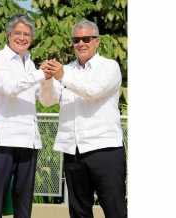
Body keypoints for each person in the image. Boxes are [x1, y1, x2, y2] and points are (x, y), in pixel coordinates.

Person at [39, 19, 127, 218]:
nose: (81, 43)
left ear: (97, 41)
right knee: (79, 213)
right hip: (73, 150)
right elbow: (47, 101)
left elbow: (93, 91)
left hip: (104, 149)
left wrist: (61, 76)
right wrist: (46, 80)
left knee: (115, 210)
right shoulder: (66, 70)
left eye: (86, 39)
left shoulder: (109, 67)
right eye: (76, 40)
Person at [0, 14, 51, 218]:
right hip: (4, 140)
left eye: (27, 34)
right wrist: (41, 74)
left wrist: (50, 79)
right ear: (8, 35)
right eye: (18, 33)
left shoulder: (30, 63)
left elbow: (47, 100)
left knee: (23, 204)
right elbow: (9, 87)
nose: (22, 38)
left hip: (29, 142)